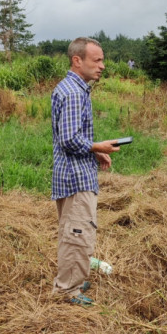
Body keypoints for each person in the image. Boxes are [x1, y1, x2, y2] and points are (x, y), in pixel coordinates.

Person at [51, 37, 120, 306]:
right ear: (77, 61)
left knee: (76, 231)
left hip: (76, 171)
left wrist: (96, 151)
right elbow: (69, 139)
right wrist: (96, 145)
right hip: (75, 177)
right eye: (97, 60)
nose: (102, 66)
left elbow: (70, 137)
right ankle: (68, 290)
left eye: (102, 60)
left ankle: (75, 279)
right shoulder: (72, 92)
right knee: (77, 233)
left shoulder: (76, 89)